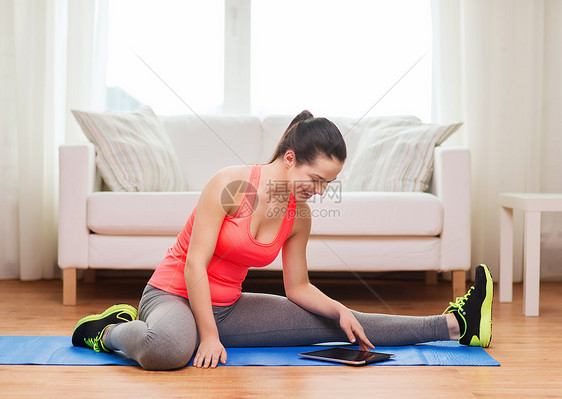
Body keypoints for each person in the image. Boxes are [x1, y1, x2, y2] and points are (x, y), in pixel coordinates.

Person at [72, 110, 494, 370]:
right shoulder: (231, 184)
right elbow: (194, 264)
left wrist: (339, 309)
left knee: (342, 323)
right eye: (316, 179)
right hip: (172, 295)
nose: (321, 190)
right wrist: (209, 336)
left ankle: (458, 323)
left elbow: (298, 287)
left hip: (229, 308)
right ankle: (109, 330)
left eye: (329, 183)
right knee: (169, 351)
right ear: (290, 159)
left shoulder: (299, 216)